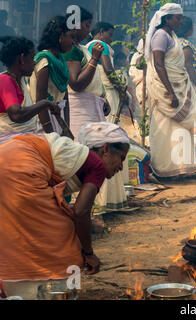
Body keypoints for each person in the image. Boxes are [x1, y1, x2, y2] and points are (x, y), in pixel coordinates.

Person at [0, 122, 129, 300]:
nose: (121, 167)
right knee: (66, 236)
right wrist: (88, 253)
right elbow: (80, 212)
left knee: (13, 232)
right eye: (122, 158)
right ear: (105, 148)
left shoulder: (74, 155)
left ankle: (18, 288)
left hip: (6, 158)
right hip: (22, 168)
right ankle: (56, 291)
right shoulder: (97, 165)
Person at [145, 3, 196, 178]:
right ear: (166, 18)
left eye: (180, 18)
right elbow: (159, 64)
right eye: (177, 17)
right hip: (165, 89)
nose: (180, 21)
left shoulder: (173, 35)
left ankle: (182, 168)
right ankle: (166, 169)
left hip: (179, 86)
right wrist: (170, 91)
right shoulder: (161, 36)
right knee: (165, 129)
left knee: (181, 129)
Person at [86, 22, 131, 211]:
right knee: (112, 139)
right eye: (109, 34)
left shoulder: (85, 48)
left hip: (98, 94)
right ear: (101, 32)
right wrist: (122, 91)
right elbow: (109, 69)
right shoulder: (100, 46)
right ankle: (107, 197)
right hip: (110, 93)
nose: (111, 39)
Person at [0, 36, 60, 144]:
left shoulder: (20, 81)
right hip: (9, 145)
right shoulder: (5, 81)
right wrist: (44, 103)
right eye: (32, 57)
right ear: (22, 59)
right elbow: (16, 115)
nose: (34, 62)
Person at [63, 7, 110, 141]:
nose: (89, 31)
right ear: (75, 26)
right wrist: (95, 58)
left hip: (91, 110)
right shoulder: (71, 51)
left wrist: (102, 99)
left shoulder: (82, 49)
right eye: (87, 25)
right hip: (81, 112)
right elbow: (76, 84)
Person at [30, 16, 73, 136]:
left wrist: (66, 129)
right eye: (71, 37)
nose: (73, 42)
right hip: (44, 121)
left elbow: (65, 98)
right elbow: (40, 101)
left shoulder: (60, 61)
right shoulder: (44, 60)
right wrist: (51, 134)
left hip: (59, 118)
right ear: (61, 37)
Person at [175, 16, 196, 101]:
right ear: (188, 29)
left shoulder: (176, 41)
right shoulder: (185, 45)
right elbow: (189, 66)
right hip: (190, 81)